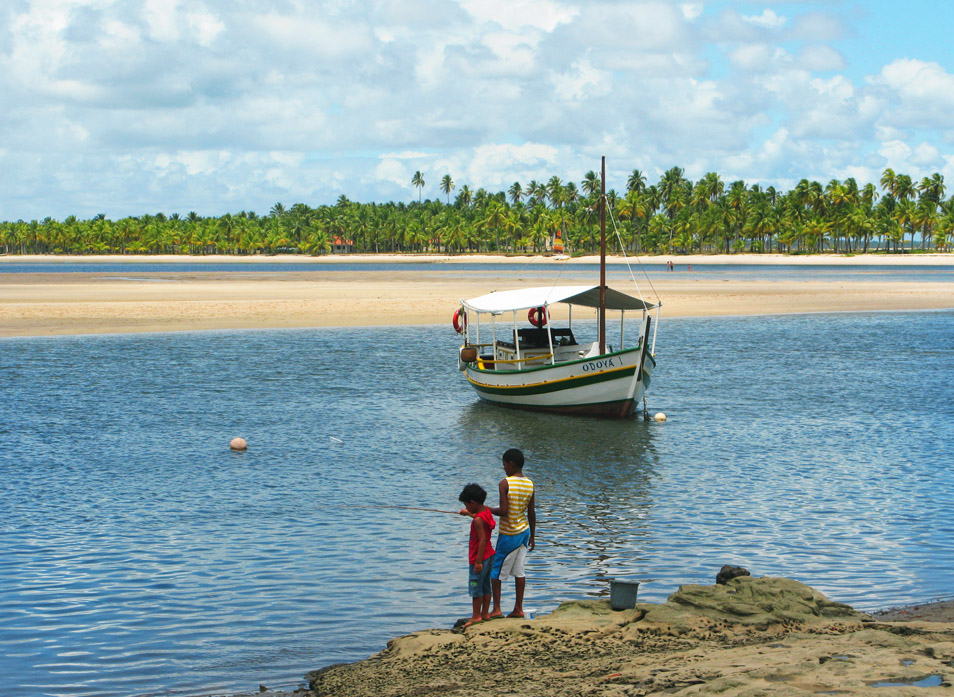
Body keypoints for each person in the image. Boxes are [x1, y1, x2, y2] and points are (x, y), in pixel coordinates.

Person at [489, 448, 535, 618]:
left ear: (511, 464)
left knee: (496, 571)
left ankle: (497, 608)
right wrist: (533, 536)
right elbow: (531, 513)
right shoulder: (530, 483)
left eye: (504, 465)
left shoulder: (505, 483)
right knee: (519, 570)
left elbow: (503, 511)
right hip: (524, 532)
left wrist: (484, 509)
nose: (504, 469)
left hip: (509, 534)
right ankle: (518, 608)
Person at [458, 483, 496, 628]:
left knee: (475, 586)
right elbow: (480, 517)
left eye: (467, 505)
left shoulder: (477, 520)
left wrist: (478, 562)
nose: (466, 507)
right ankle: (485, 613)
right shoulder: (486, 513)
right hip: (489, 556)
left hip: (478, 559)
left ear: (472, 502)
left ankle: (475, 616)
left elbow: (482, 540)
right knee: (486, 585)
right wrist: (468, 514)